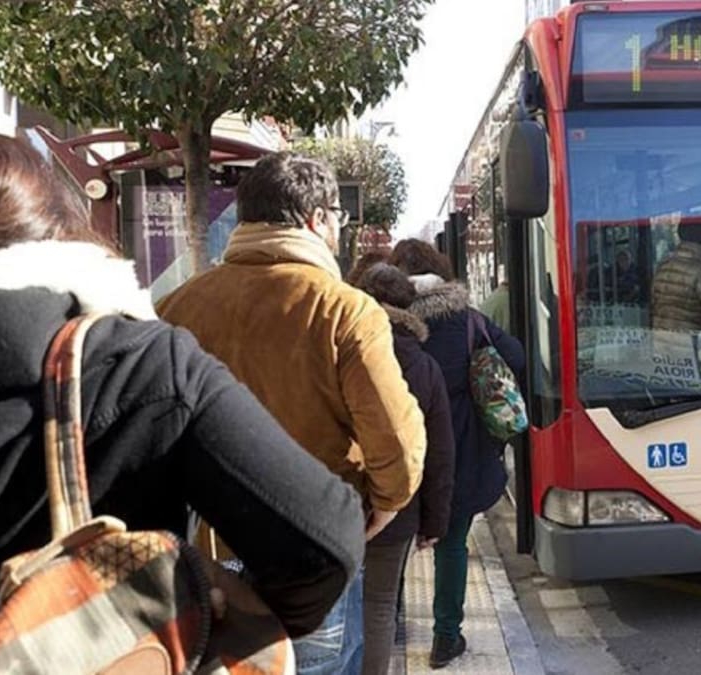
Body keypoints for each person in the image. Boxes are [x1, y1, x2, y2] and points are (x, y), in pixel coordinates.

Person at [0, 126, 365, 674]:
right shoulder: (137, 364)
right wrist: (201, 605)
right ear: (53, 229)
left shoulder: (181, 308)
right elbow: (324, 545)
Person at [157, 155, 426, 675]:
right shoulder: (346, 311)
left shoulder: (174, 306)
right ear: (315, 219)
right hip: (309, 553)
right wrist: (380, 508)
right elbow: (395, 440)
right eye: (337, 218)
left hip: (203, 561)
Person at [388, 239, 525, 670]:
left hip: (398, 453)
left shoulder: (380, 325)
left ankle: (388, 621)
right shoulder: (468, 320)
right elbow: (517, 357)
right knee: (452, 545)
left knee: (392, 543)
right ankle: (445, 637)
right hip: (461, 454)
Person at [354, 262, 455, 675]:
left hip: (338, 497)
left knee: (338, 605)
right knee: (380, 605)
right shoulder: (423, 364)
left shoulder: (339, 342)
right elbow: (439, 450)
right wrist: (434, 522)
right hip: (398, 504)